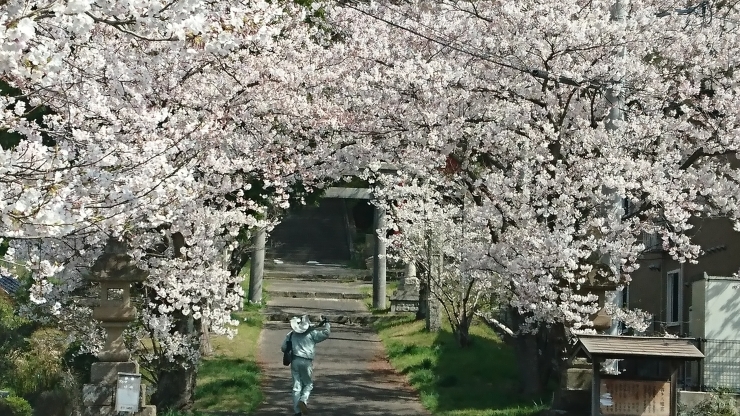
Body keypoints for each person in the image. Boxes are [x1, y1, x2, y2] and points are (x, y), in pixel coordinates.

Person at [281, 314, 331, 416]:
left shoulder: (291, 334)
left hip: (295, 361)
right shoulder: (312, 333)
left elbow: (283, 348)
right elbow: (326, 333)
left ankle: (297, 411)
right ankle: (303, 400)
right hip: (307, 361)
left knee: (296, 386)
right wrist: (327, 324)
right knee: (308, 384)